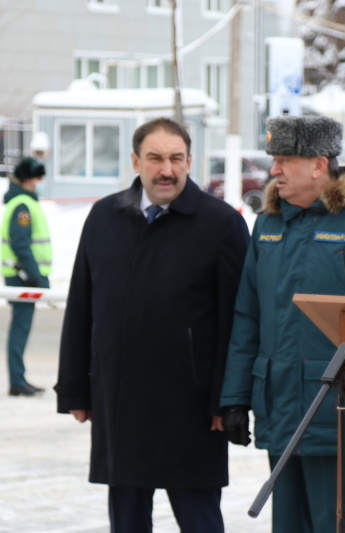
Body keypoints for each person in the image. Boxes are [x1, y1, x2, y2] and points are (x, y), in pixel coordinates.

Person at [55, 117, 250, 533]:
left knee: (200, 521)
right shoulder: (104, 217)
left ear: (190, 161)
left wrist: (228, 399)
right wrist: (74, 387)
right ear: (135, 160)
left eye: (177, 159)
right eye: (156, 158)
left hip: (193, 409)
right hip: (120, 403)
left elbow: (239, 319)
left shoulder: (221, 224)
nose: (167, 169)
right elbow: (81, 308)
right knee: (126, 521)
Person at [219, 115, 345, 533]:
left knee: (336, 522)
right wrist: (235, 397)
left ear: (319, 165)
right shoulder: (268, 225)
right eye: (275, 160)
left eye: (284, 159)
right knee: (287, 525)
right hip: (280, 407)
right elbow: (248, 317)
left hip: (339, 415)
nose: (274, 171)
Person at [2, 157, 50, 396]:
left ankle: (19, 378)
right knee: (20, 328)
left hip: (23, 275)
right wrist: (36, 276)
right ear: (26, 179)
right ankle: (17, 381)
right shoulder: (22, 205)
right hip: (22, 277)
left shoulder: (23, 202)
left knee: (21, 327)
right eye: (37, 177)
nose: (40, 182)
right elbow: (21, 245)